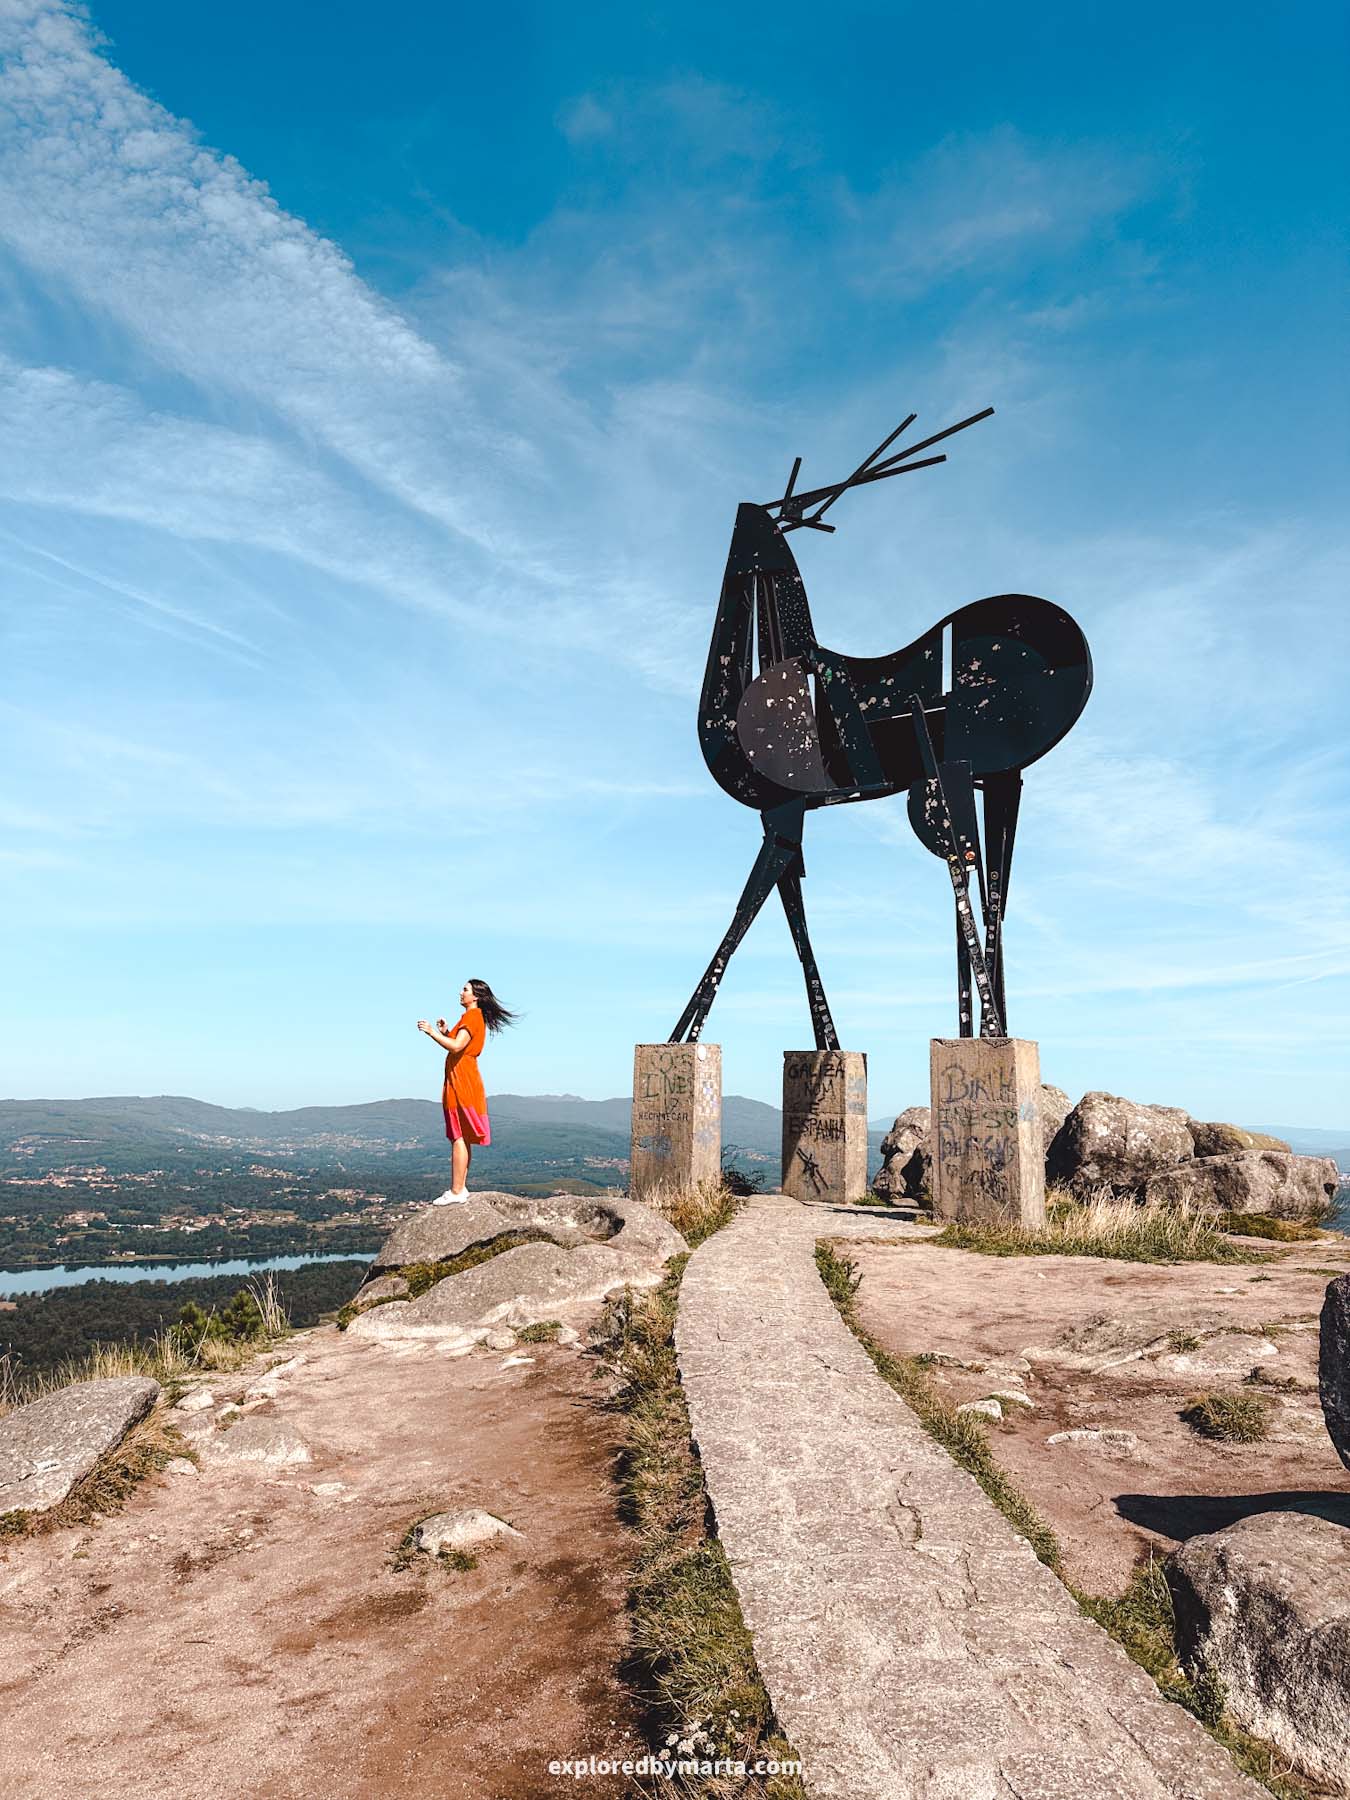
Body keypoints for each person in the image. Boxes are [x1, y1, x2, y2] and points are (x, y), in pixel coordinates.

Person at [416, 979, 516, 1205]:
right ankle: (459, 1187)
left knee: (458, 1135)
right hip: (463, 1077)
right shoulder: (472, 1018)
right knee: (462, 1136)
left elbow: (457, 1047)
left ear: (476, 996)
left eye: (465, 989)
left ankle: (457, 1190)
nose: (461, 993)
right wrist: (447, 1031)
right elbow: (460, 1042)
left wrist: (432, 1032)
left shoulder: (472, 1017)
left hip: (462, 1080)